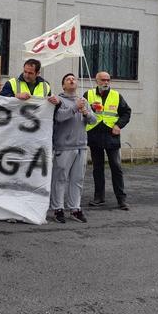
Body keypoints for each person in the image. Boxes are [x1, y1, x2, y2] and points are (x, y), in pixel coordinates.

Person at [48, 73, 97, 223]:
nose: (72, 80)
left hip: (81, 145)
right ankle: (58, 208)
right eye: (68, 79)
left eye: (74, 79)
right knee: (60, 178)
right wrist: (75, 108)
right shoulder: (59, 100)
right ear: (63, 85)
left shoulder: (83, 101)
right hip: (64, 146)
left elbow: (93, 120)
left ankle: (75, 208)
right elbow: (59, 117)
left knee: (77, 179)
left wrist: (86, 112)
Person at [84, 71, 132, 210]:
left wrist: (118, 125)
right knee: (97, 168)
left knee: (116, 167)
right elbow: (81, 111)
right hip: (94, 134)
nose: (106, 82)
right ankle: (99, 197)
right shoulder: (88, 95)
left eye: (108, 80)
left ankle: (121, 199)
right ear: (96, 80)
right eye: (103, 80)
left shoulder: (116, 95)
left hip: (111, 134)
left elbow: (126, 112)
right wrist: (88, 109)